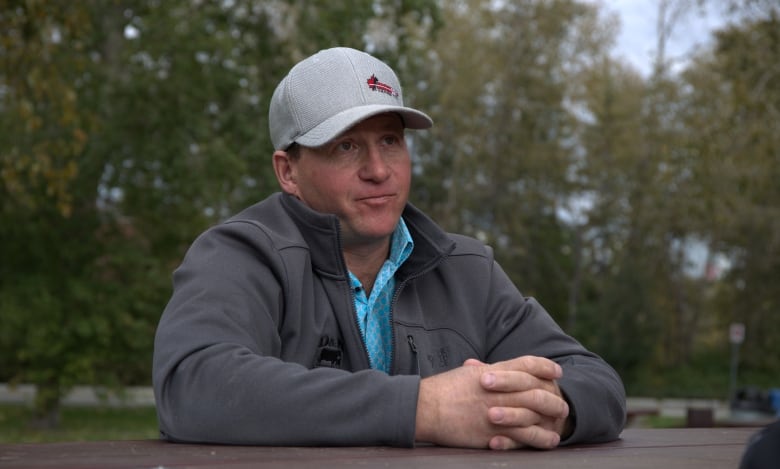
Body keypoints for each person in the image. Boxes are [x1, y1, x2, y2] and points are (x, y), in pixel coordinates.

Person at [152, 47, 626, 450]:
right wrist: (428, 408)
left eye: (390, 140)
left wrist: (545, 412)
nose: (379, 170)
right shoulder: (239, 254)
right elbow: (193, 383)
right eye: (346, 147)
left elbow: (596, 381)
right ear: (288, 171)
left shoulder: (465, 269)